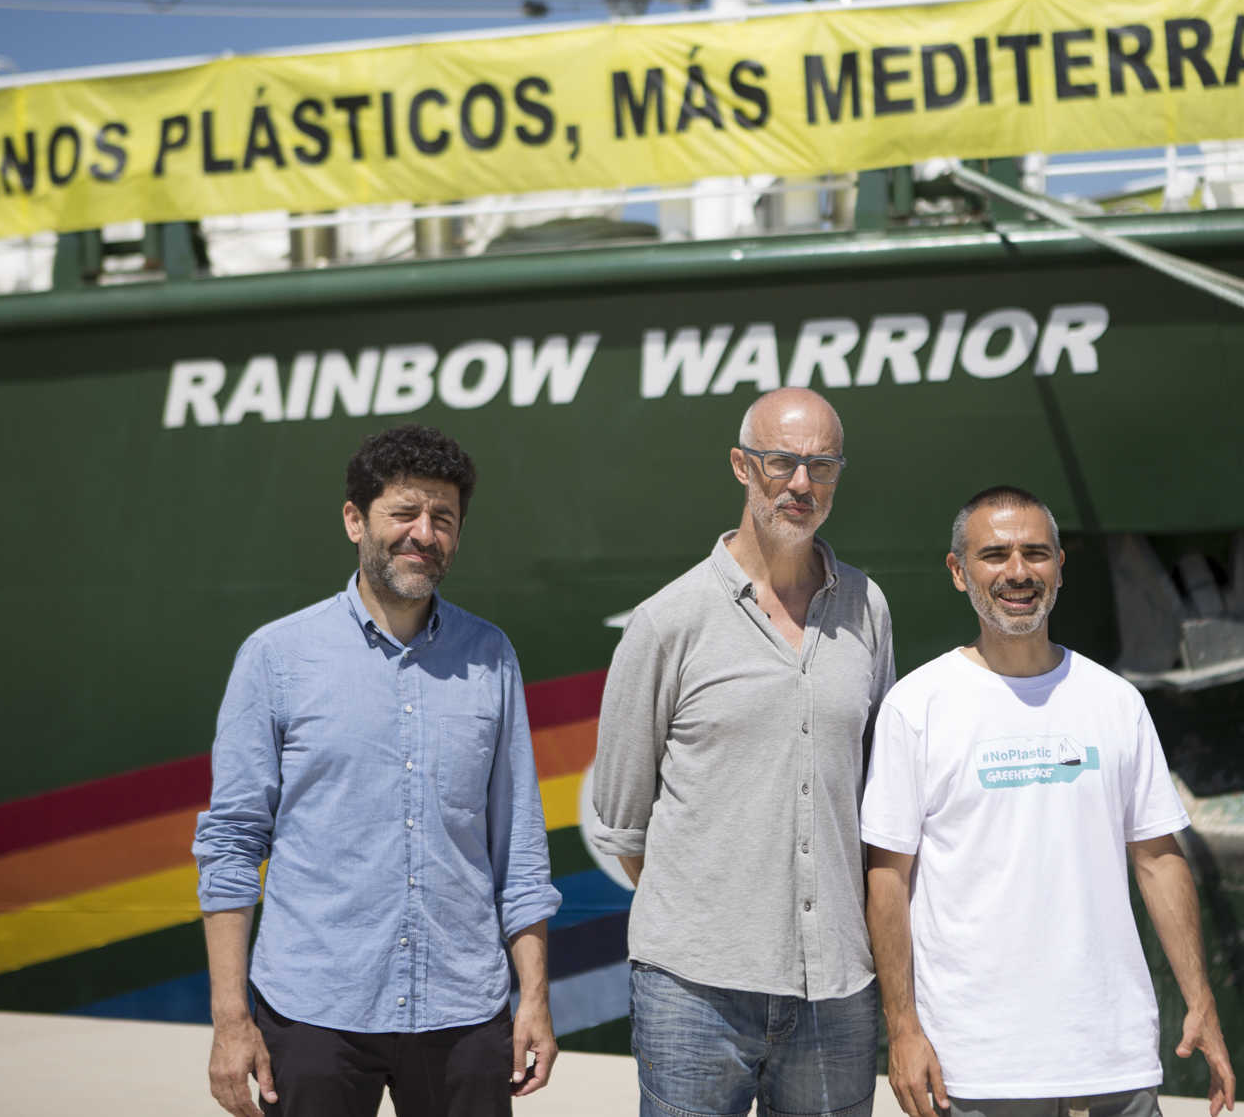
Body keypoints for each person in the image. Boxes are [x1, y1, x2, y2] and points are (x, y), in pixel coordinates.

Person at [193, 424, 562, 1117]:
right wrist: (230, 1019)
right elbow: (232, 845)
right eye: (405, 512)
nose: (424, 533)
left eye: (443, 518)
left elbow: (519, 846)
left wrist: (535, 999)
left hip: (463, 1009)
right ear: (355, 519)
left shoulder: (491, 656)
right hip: (313, 1011)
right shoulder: (277, 657)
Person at [861, 486, 1236, 1117]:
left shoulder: (1115, 701)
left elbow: (1157, 858)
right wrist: (902, 1029)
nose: (1017, 572)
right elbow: (887, 879)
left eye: (1035, 553)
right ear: (958, 571)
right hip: (977, 1070)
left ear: (1060, 567)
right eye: (994, 555)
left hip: (1113, 1059)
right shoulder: (917, 707)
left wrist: (1201, 1001)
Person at [590, 387, 896, 1117]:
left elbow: (880, 792)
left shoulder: (868, 608)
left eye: (822, 466)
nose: (801, 483)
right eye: (781, 461)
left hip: (836, 992)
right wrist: (718, 925)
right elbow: (625, 826)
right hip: (694, 995)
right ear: (740, 466)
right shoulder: (668, 622)